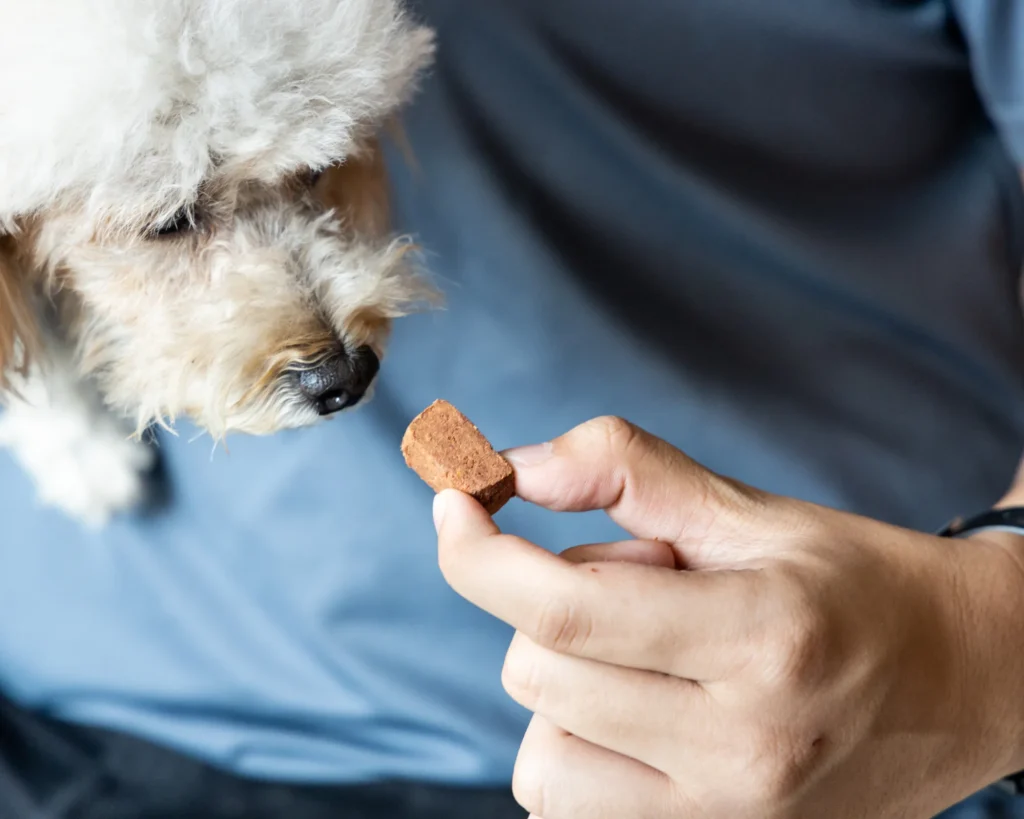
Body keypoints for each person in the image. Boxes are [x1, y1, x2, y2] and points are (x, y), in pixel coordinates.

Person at [1, 1, 1024, 817]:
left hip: (834, 742)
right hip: (73, 732)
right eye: (174, 221)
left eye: (317, 170)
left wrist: (982, 647)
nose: (331, 350)